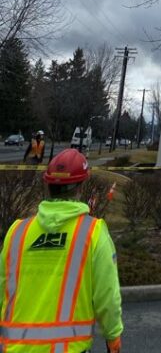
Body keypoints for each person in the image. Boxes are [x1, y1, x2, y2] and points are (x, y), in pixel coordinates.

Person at [0, 147, 123, 352]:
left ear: (47, 184)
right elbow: (107, 295)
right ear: (81, 185)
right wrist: (113, 337)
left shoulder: (18, 232)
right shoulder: (93, 232)